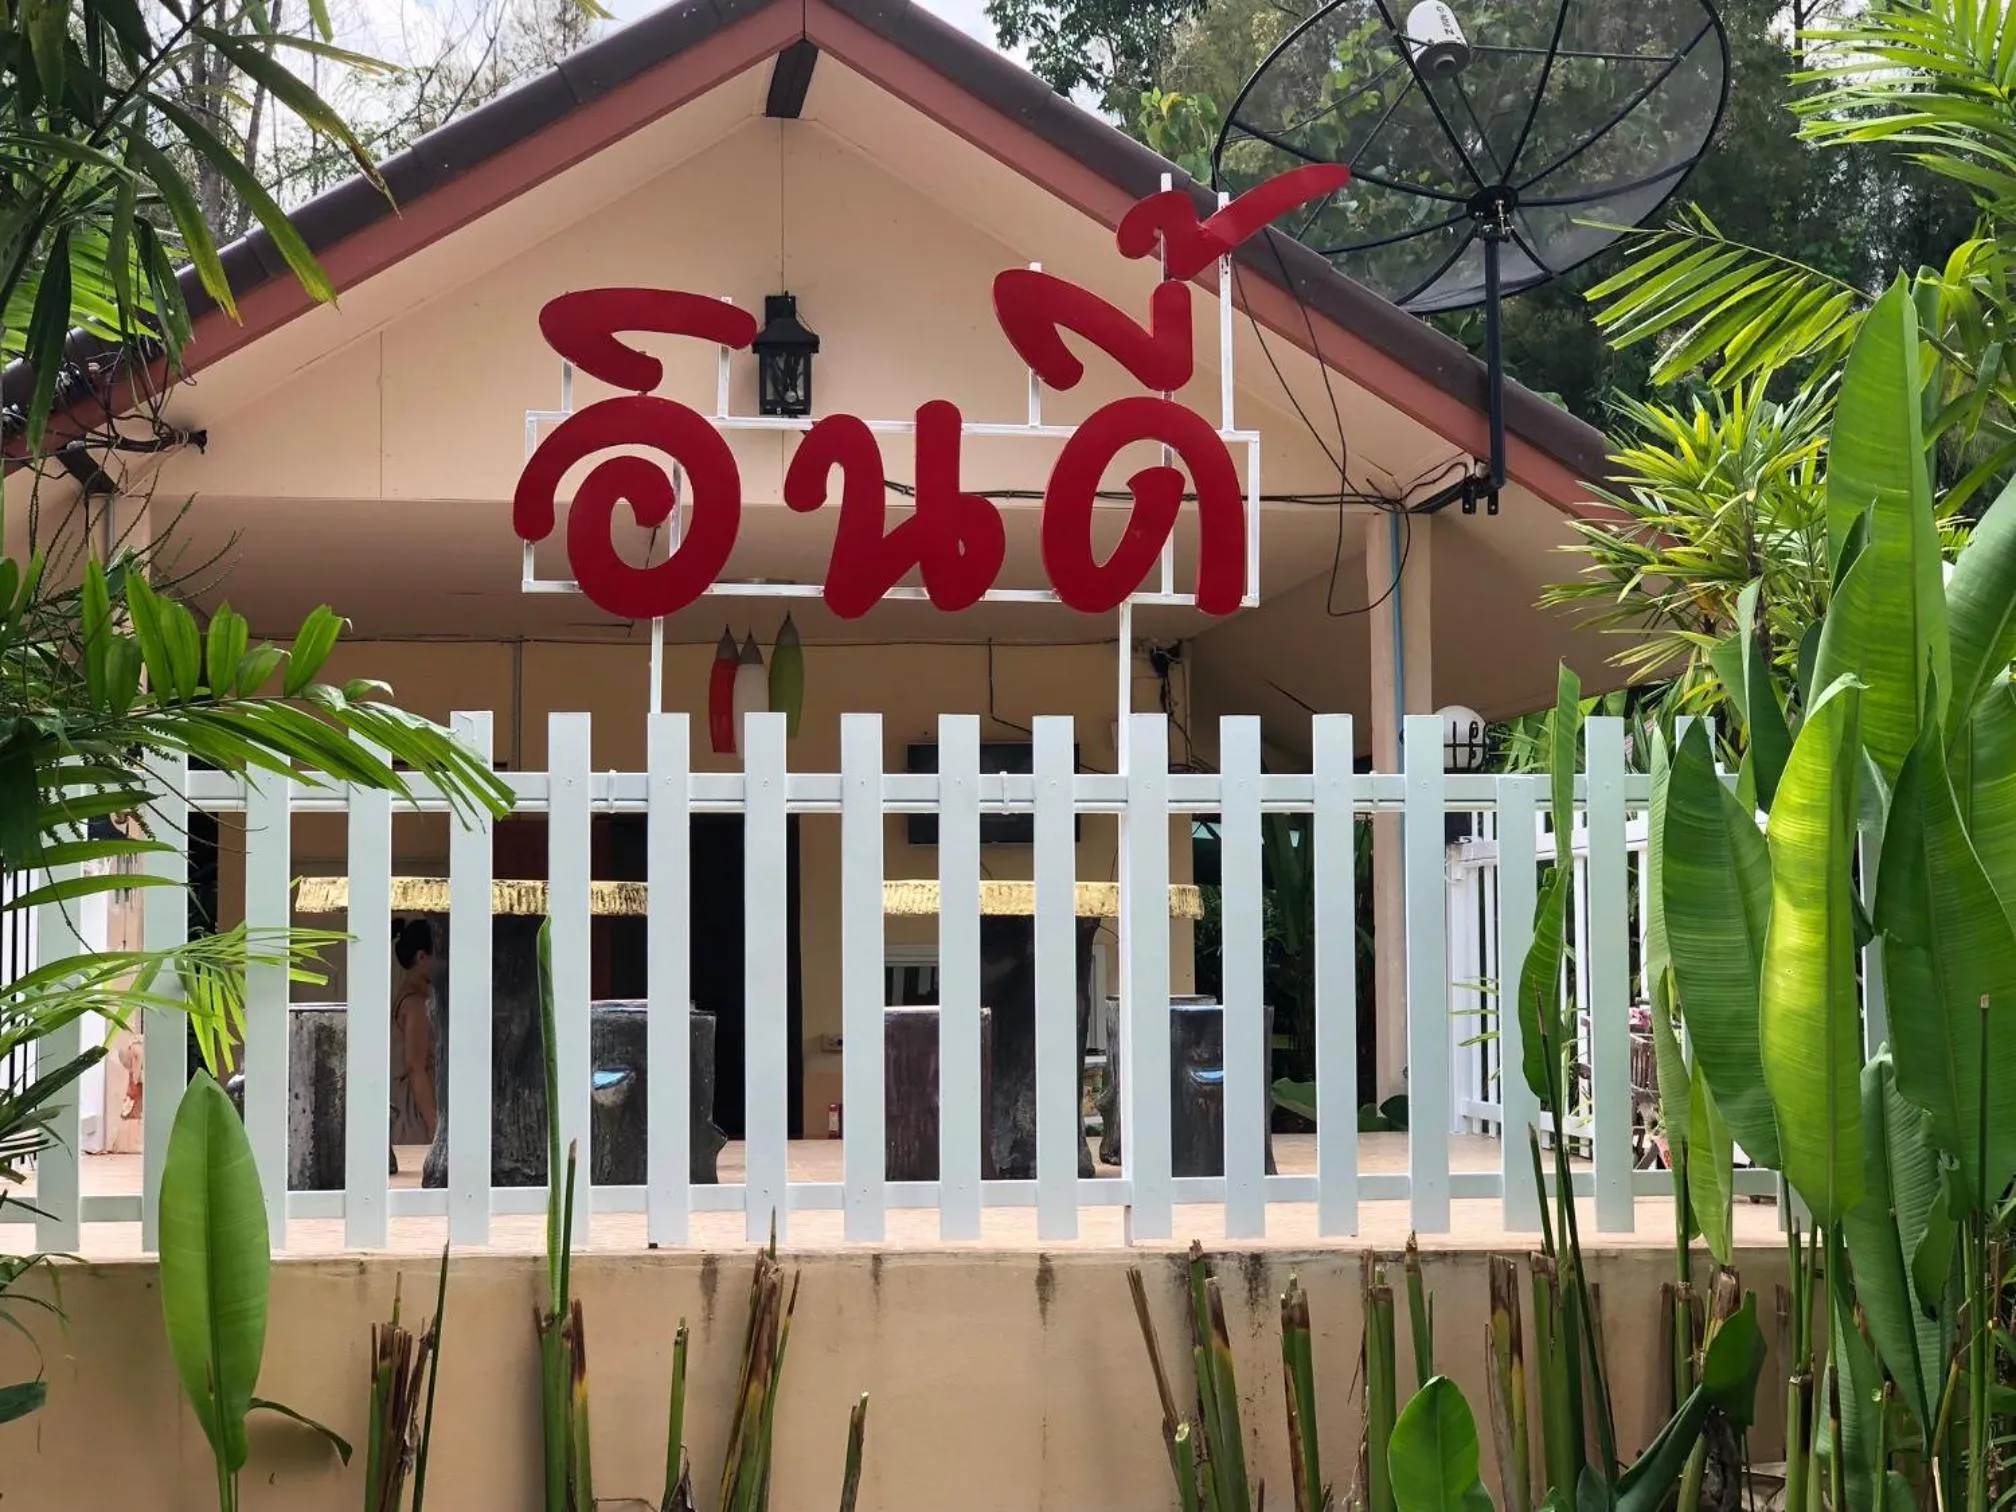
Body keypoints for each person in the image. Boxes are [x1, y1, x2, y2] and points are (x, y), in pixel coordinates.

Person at [391, 918, 438, 1143]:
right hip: (418, 1112)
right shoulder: (415, 1004)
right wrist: (436, 1127)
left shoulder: (417, 997)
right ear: (422, 957)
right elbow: (416, 1068)